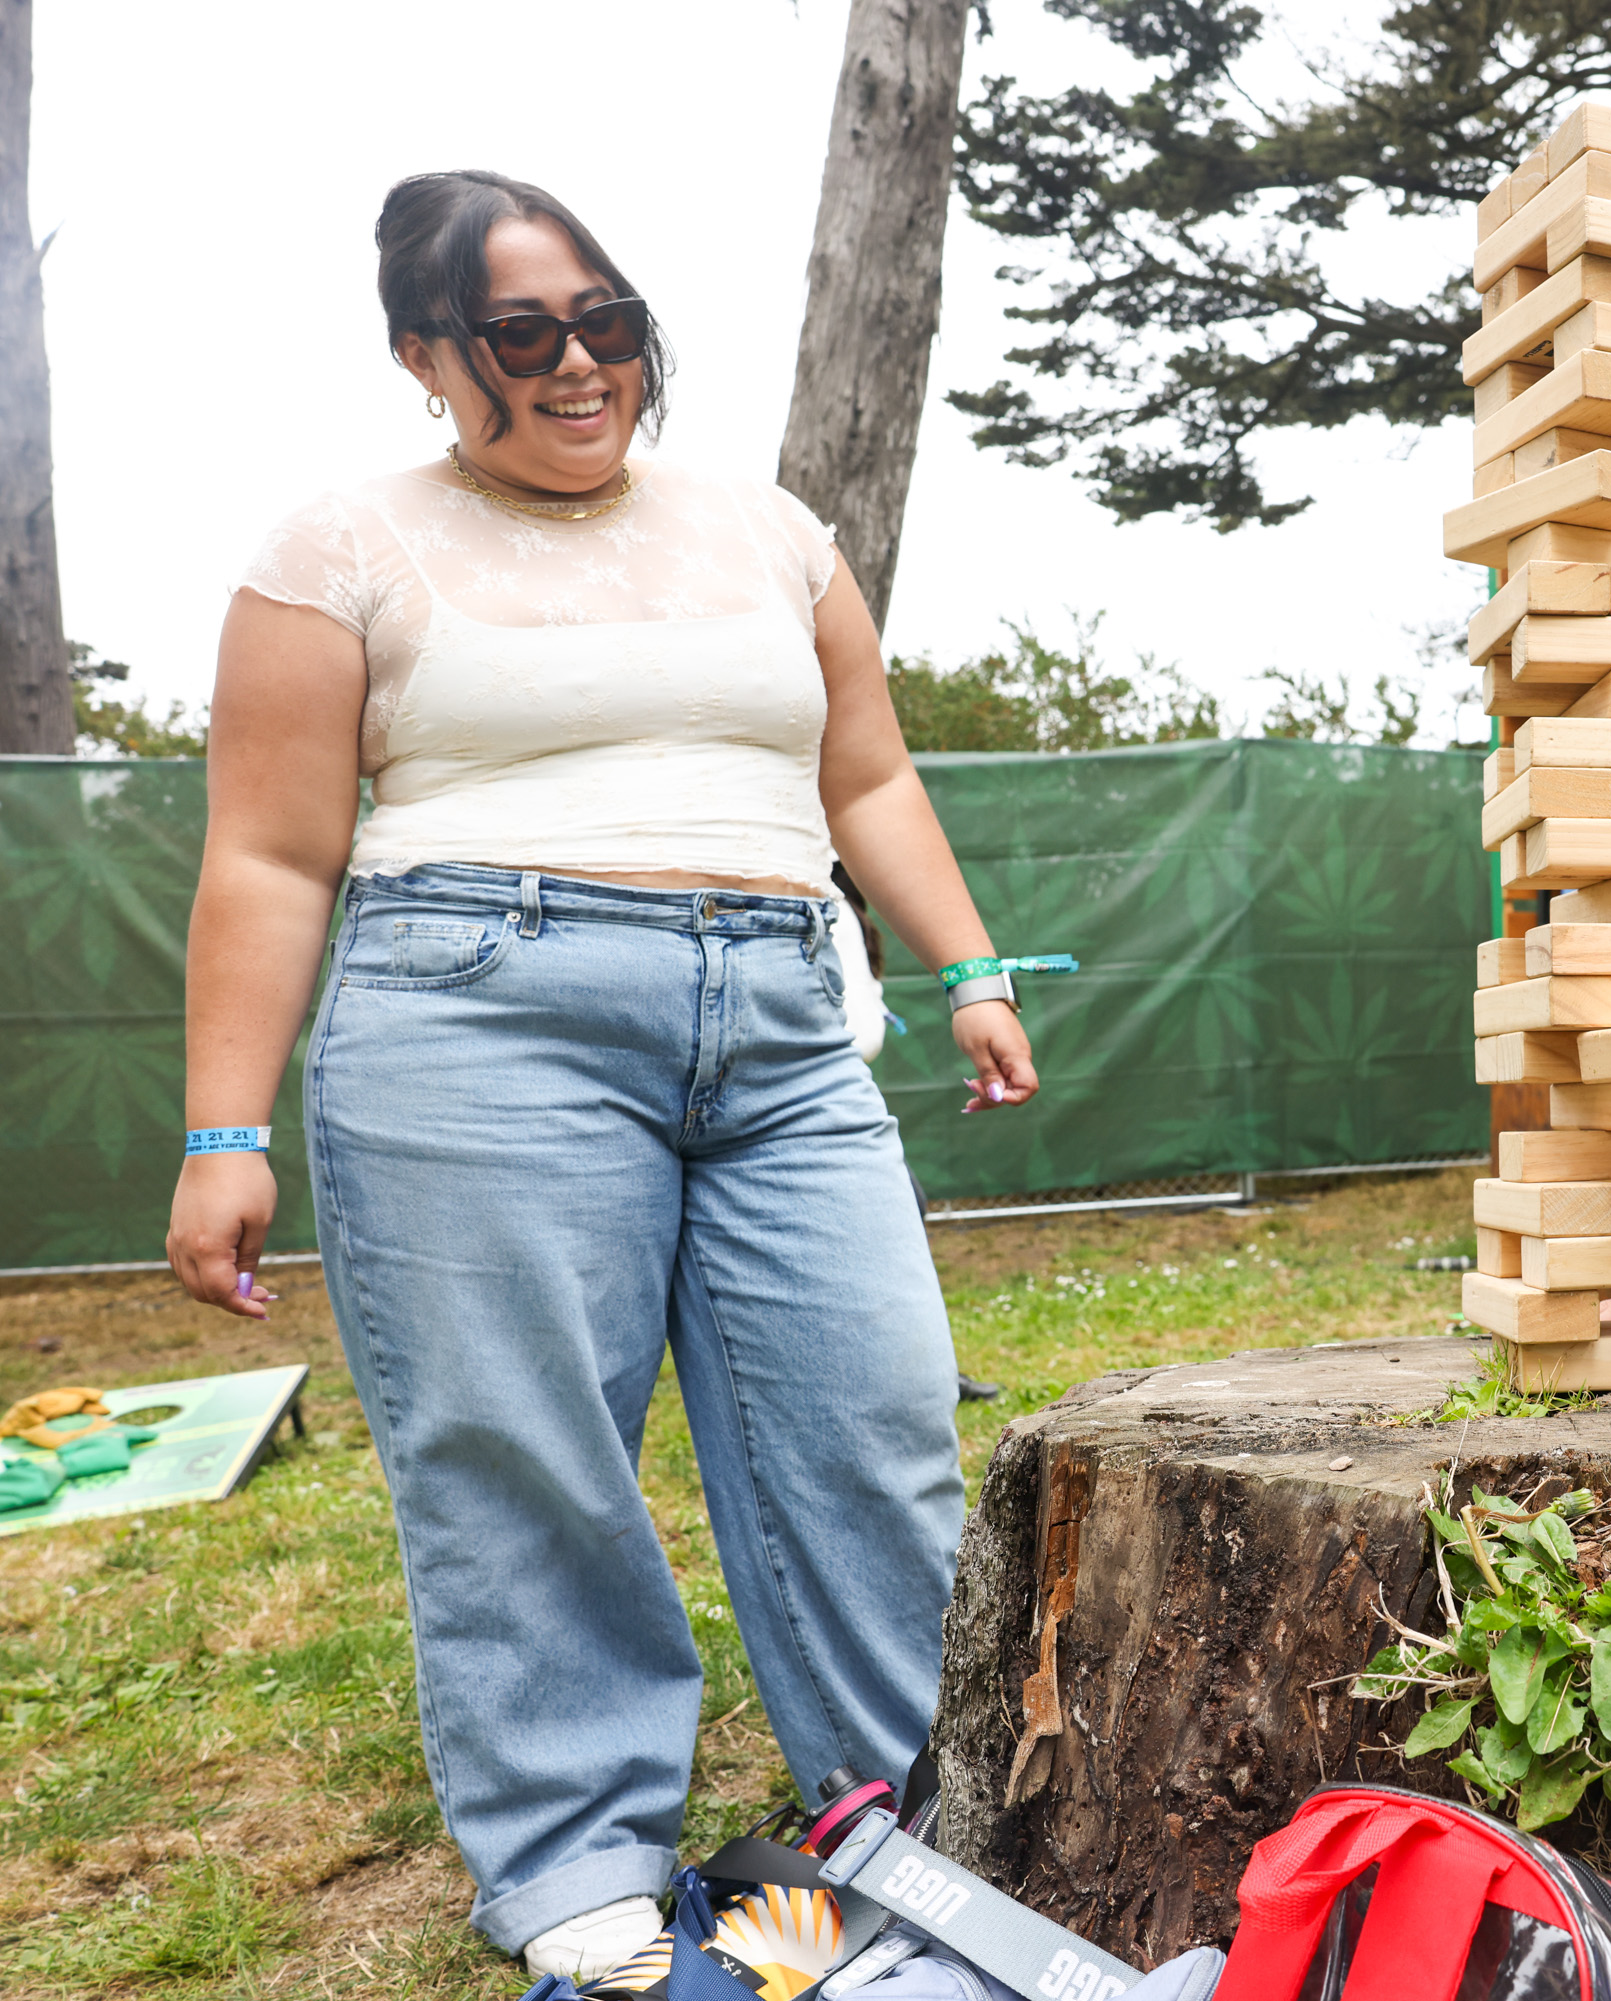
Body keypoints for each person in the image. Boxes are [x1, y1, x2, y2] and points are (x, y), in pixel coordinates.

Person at [161, 171, 1039, 1985]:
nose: (580, 365)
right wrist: (223, 1132)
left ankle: (912, 1828)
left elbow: (865, 774)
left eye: (609, 323)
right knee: (527, 1457)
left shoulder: (772, 530)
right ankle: (579, 1867)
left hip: (789, 1021)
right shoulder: (336, 549)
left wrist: (969, 968)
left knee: (870, 1426)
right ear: (426, 354)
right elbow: (266, 855)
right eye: (522, 334)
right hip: (478, 1014)